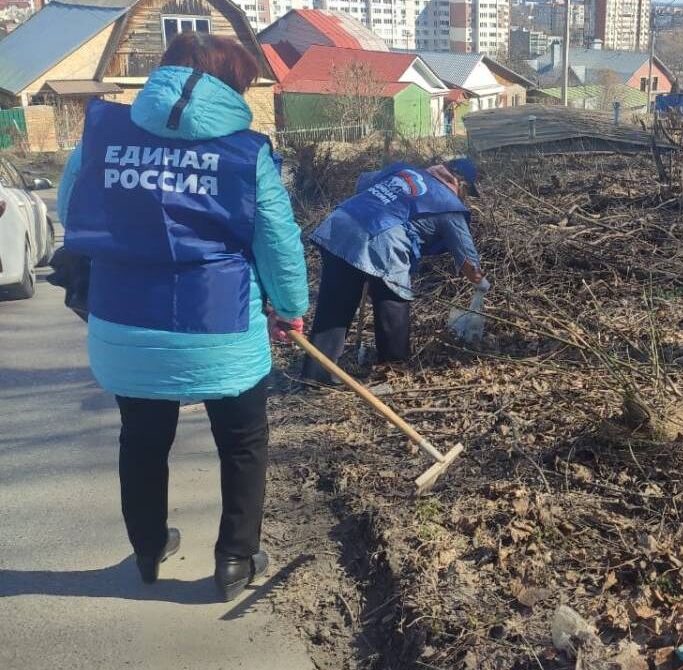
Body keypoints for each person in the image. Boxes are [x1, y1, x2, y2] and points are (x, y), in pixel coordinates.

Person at [58, 33, 308, 601]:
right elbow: (277, 239)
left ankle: (148, 548)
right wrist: (290, 309)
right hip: (220, 324)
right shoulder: (246, 153)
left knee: (142, 439)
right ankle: (236, 558)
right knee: (242, 440)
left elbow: (72, 209)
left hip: (124, 320)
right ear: (231, 85)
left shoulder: (103, 137)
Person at [300, 157, 488, 383]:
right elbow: (468, 261)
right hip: (381, 241)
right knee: (393, 303)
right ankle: (392, 373)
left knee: (334, 306)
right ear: (462, 183)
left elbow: (362, 184)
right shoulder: (448, 204)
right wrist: (481, 284)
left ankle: (315, 376)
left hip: (340, 225)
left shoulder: (404, 170)